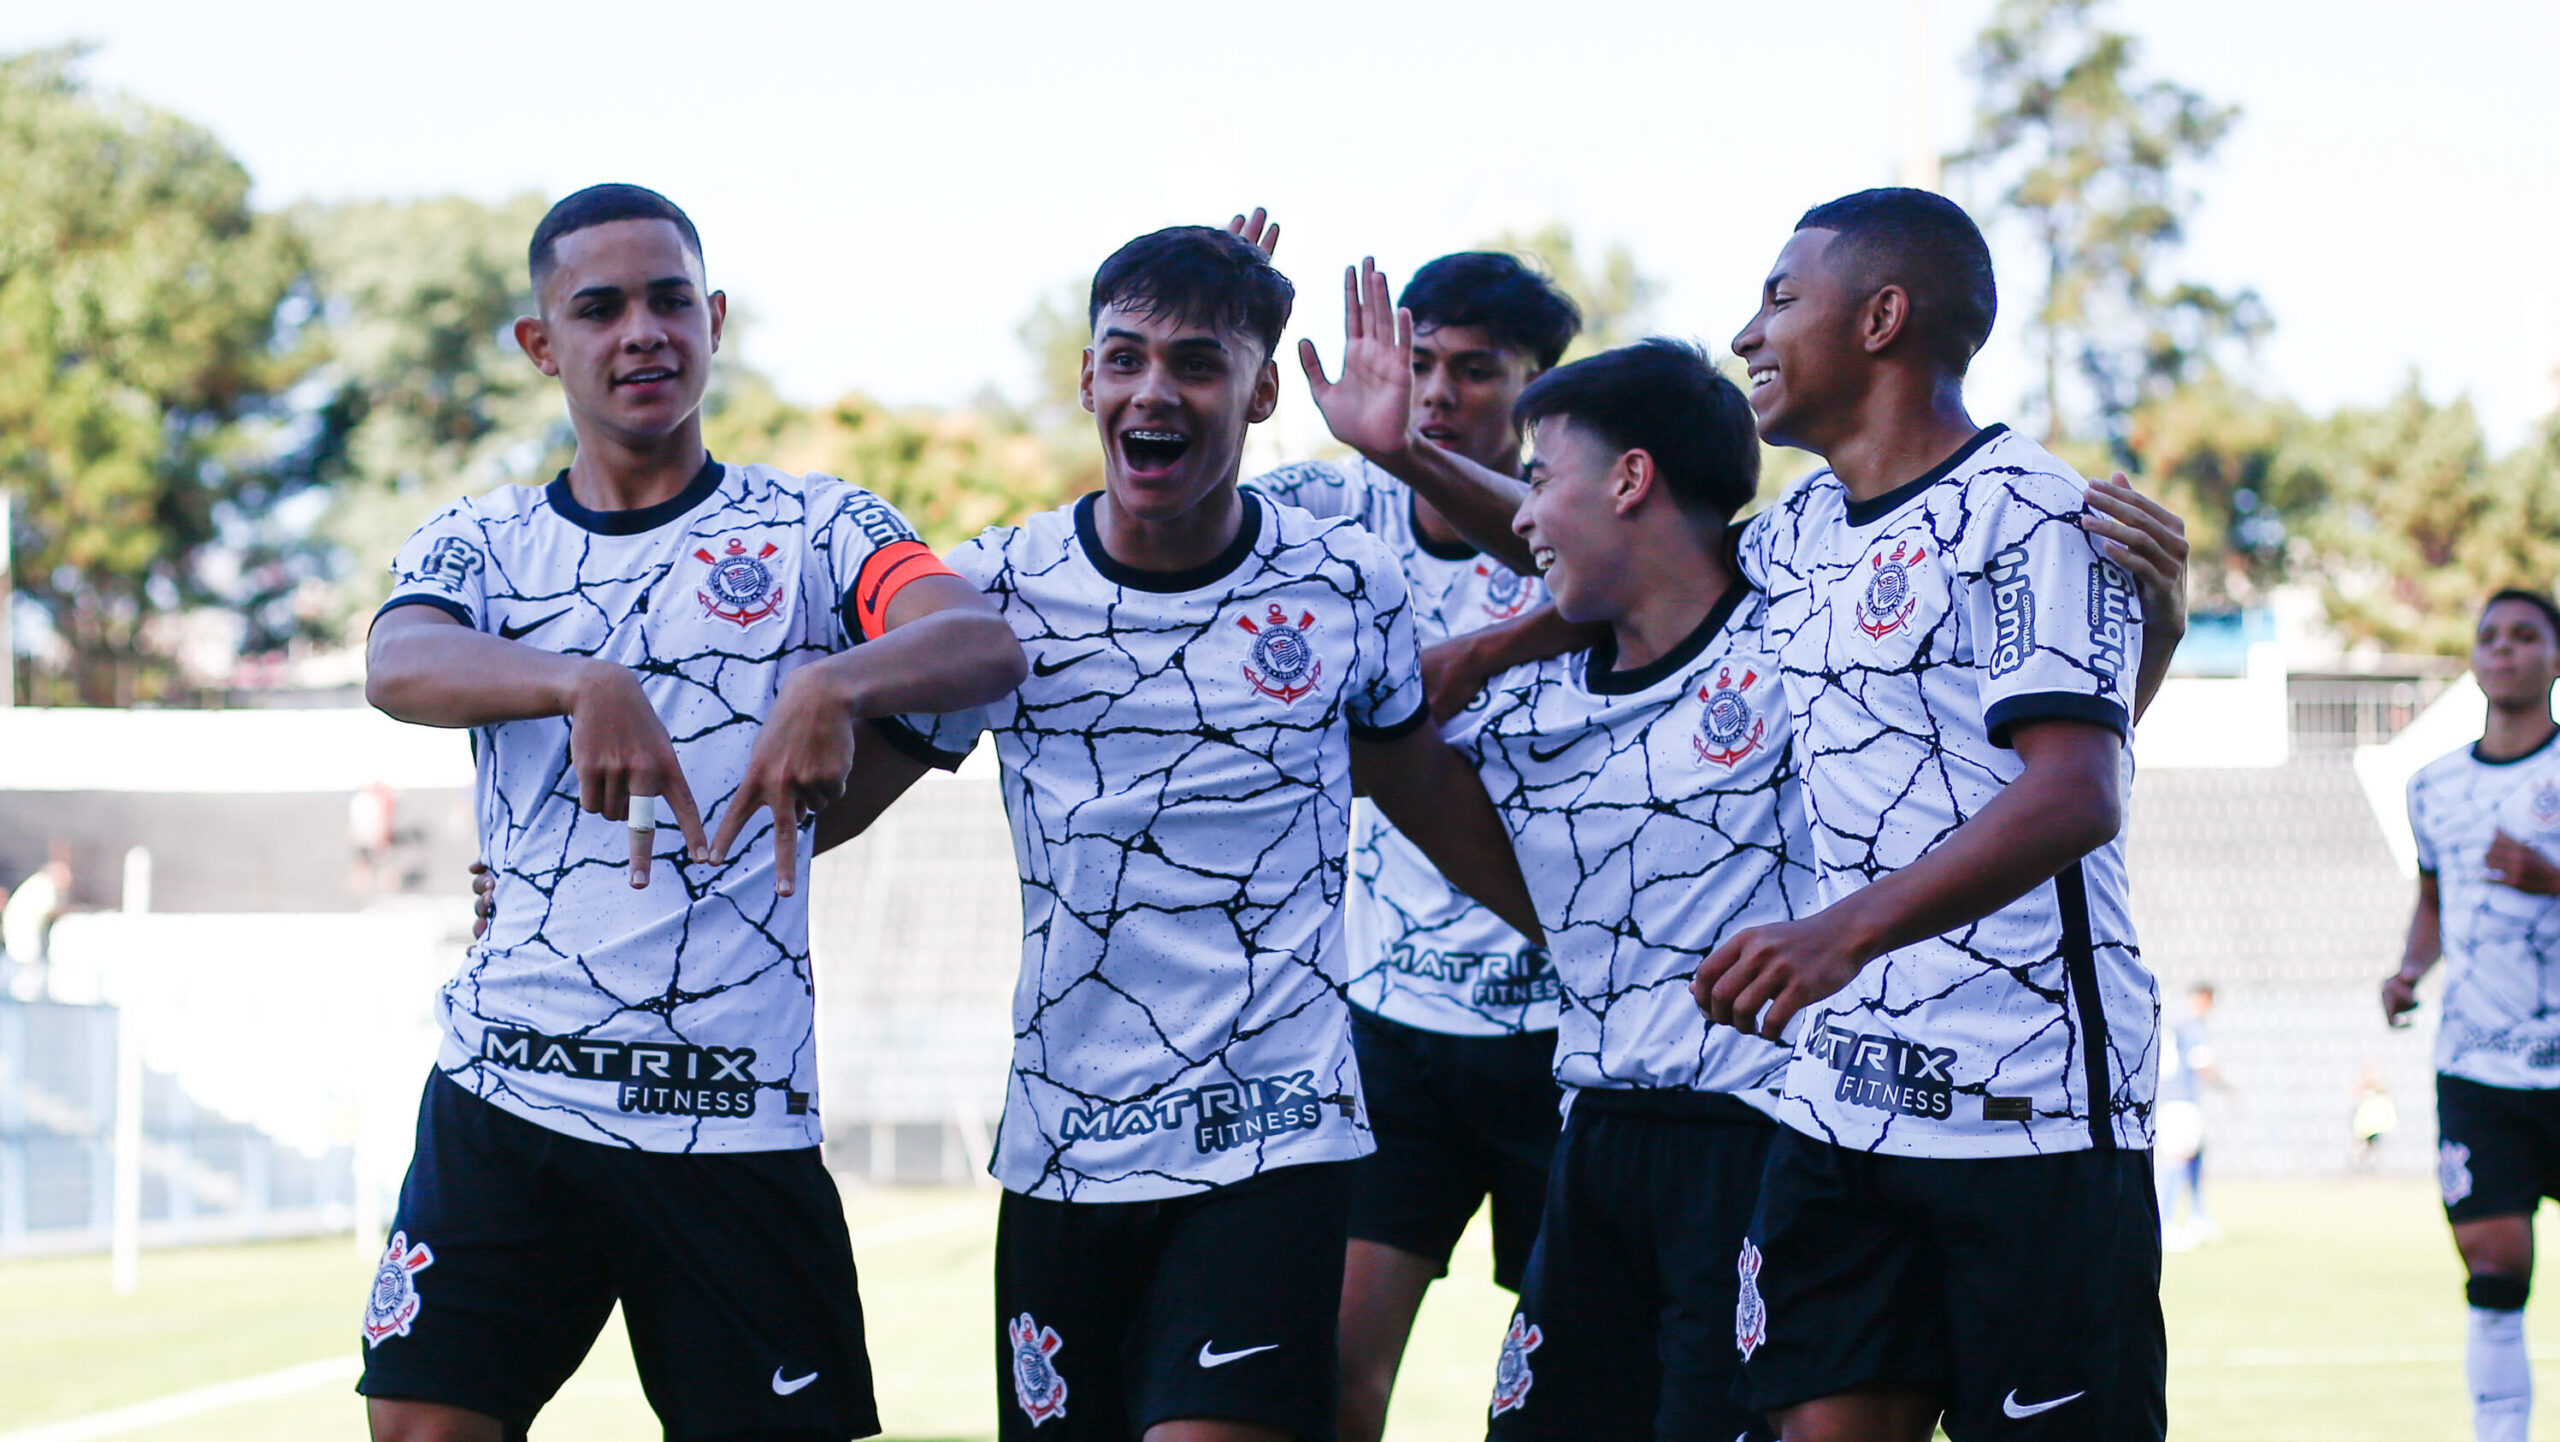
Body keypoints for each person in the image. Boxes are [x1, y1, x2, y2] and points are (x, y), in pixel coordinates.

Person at [841, 224, 1539, 1442]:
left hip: (1273, 1132)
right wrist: (585, 862)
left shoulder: (1344, 582)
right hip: (1066, 1145)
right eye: (1125, 358)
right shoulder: (997, 589)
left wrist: (1596, 946)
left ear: (1262, 391)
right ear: (1086, 380)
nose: (1154, 390)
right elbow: (837, 804)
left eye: (1198, 364)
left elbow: (1423, 792)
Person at [357, 182, 1026, 1442]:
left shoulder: (818, 527)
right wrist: (578, 679)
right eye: (599, 308)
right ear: (541, 343)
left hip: (732, 1111)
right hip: (514, 1092)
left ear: (713, 319)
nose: (642, 332)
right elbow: (399, 665)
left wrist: (836, 678)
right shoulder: (482, 543)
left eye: (670, 300)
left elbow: (977, 642)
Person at [1695, 187, 2165, 1441]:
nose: (1749, 331)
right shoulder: (1791, 532)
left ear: (1882, 317)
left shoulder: (2031, 507)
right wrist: (1412, 456)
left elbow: (2075, 792)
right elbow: (1611, 557)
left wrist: (1837, 931)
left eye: (1780, 298)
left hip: (2034, 1109)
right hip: (1841, 1101)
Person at [1249, 245, 1581, 1441]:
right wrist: (1225, 330)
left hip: (1568, 1033)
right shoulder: (1336, 510)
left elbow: (1629, 585)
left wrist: (1500, 645)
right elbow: (1176, 509)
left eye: (1476, 370)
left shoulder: (1593, 534)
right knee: (1331, 1376)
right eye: (1419, 361)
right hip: (1391, 1028)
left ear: (1538, 390)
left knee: (1564, 1388)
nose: (1437, 391)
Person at [1447, 338, 1801, 1441]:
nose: (1521, 515)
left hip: (1759, 1135)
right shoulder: (1535, 693)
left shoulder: (1802, 631)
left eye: (1539, 476)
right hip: (1592, 1130)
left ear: (1630, 478)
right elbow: (1384, 736)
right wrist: (1498, 645)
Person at [2385, 587, 2560, 1442]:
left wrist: (2552, 877)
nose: (2505, 650)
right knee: (2494, 1268)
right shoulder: (2432, 786)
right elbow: (2433, 899)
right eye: (2490, 636)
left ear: (2555, 659)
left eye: (2526, 636)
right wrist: (2411, 970)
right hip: (2478, 1068)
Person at [2156, 980, 2233, 1248]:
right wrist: (2227, 1090)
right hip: (2181, 1101)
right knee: (2177, 1159)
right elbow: (2202, 1065)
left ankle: (2197, 1217)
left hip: (2174, 1099)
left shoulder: (2174, 1021)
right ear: (2204, 998)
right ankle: (2165, 1222)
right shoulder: (2191, 1024)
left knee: (2195, 1156)